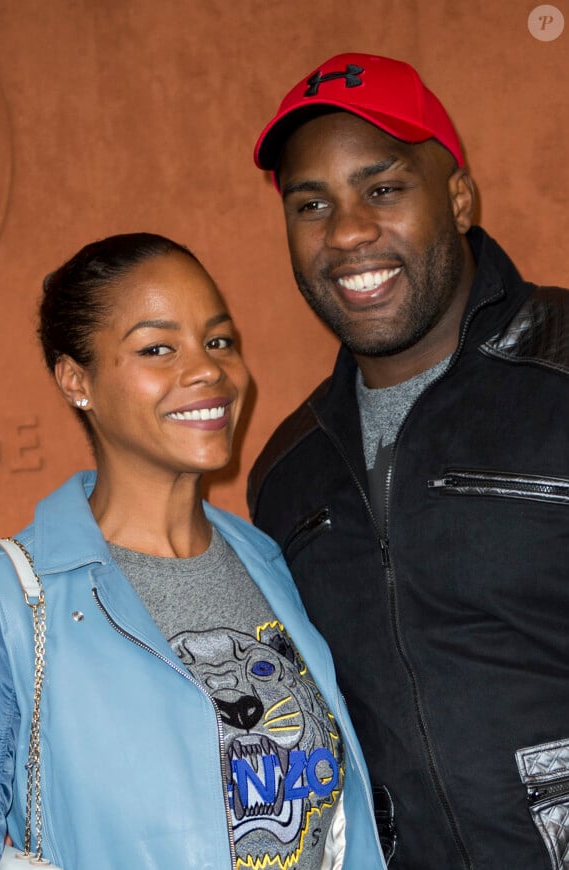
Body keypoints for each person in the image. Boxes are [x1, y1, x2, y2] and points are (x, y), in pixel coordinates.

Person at [247, 52, 569, 869]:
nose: (348, 231)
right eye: (311, 203)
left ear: (458, 198)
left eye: (382, 188)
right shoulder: (288, 473)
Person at [0, 232, 386, 870]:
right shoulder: (9, 600)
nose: (208, 370)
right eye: (158, 348)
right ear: (75, 380)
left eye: (218, 341)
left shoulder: (265, 558)